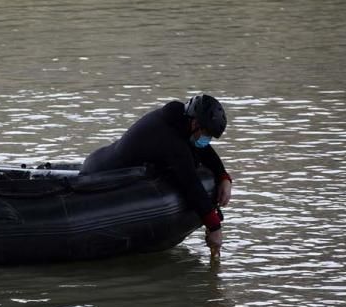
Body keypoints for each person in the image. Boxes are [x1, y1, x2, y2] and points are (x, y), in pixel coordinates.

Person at [80, 94, 234, 256]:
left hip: (100, 160)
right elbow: (190, 184)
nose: (207, 140)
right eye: (207, 134)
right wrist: (214, 227)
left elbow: (205, 152)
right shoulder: (169, 139)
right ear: (195, 123)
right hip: (98, 173)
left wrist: (224, 177)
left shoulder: (181, 123)